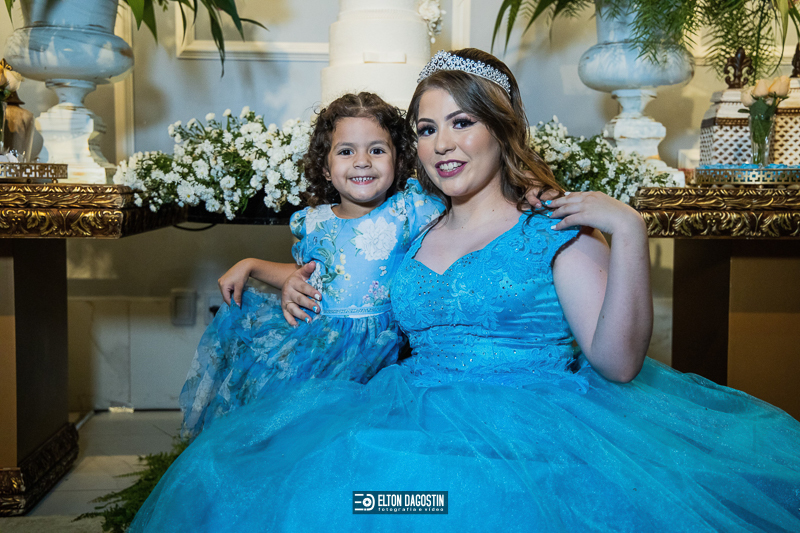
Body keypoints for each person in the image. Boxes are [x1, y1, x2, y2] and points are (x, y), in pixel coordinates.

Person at [131, 50, 800, 532]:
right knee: (345, 499)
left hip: (535, 437)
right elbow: (345, 274)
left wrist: (628, 230)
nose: (442, 144)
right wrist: (272, 273)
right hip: (405, 414)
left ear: (499, 130)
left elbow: (619, 363)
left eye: (461, 123)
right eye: (426, 129)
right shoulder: (414, 225)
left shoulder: (550, 229)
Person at [179, 92, 444, 438]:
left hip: (380, 355)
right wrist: (252, 265)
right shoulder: (312, 223)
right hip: (316, 350)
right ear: (325, 167)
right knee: (299, 437)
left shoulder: (409, 210)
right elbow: (311, 280)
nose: (362, 162)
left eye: (377, 150)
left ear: (399, 160)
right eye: (346, 151)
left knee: (358, 438)